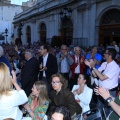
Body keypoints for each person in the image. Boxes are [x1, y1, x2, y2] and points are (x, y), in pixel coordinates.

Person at [85, 48, 120, 114]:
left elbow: (102, 77)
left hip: (109, 92)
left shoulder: (115, 67)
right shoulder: (104, 64)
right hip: (101, 90)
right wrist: (91, 66)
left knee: (108, 110)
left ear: (110, 55)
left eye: (105, 53)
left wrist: (93, 67)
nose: (103, 54)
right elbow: (95, 75)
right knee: (99, 108)